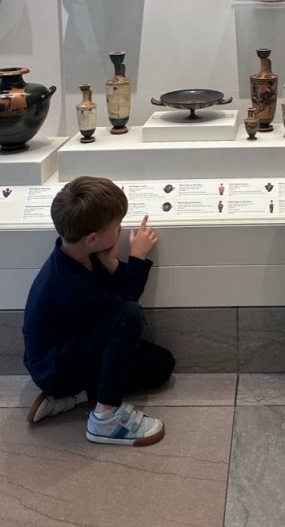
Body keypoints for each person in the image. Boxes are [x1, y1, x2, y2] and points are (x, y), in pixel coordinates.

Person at [22, 175, 175, 445]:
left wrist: (112, 263)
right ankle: (106, 417)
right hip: (55, 369)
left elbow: (110, 301)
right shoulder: (68, 284)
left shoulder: (79, 255)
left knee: (161, 365)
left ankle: (72, 397)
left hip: (67, 355)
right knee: (129, 316)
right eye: (116, 226)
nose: (120, 231)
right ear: (92, 238)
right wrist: (137, 259)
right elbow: (126, 307)